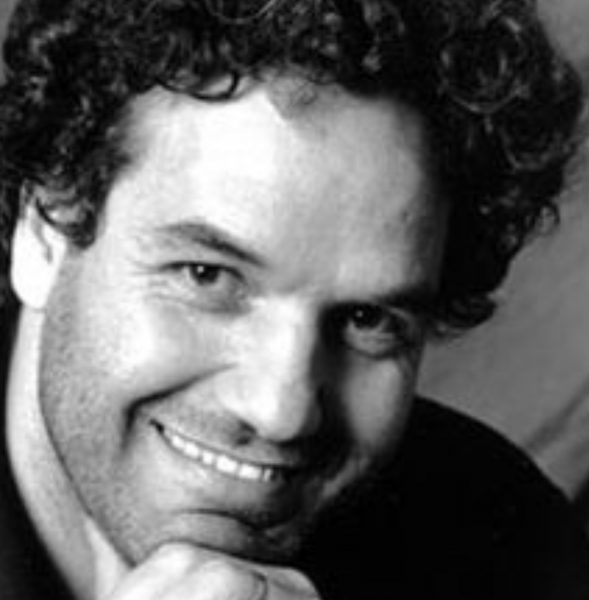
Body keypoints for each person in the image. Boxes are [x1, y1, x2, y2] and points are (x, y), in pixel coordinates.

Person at [0, 0, 586, 598]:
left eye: (367, 319)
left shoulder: (509, 545)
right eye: (206, 276)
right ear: (44, 231)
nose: (282, 411)